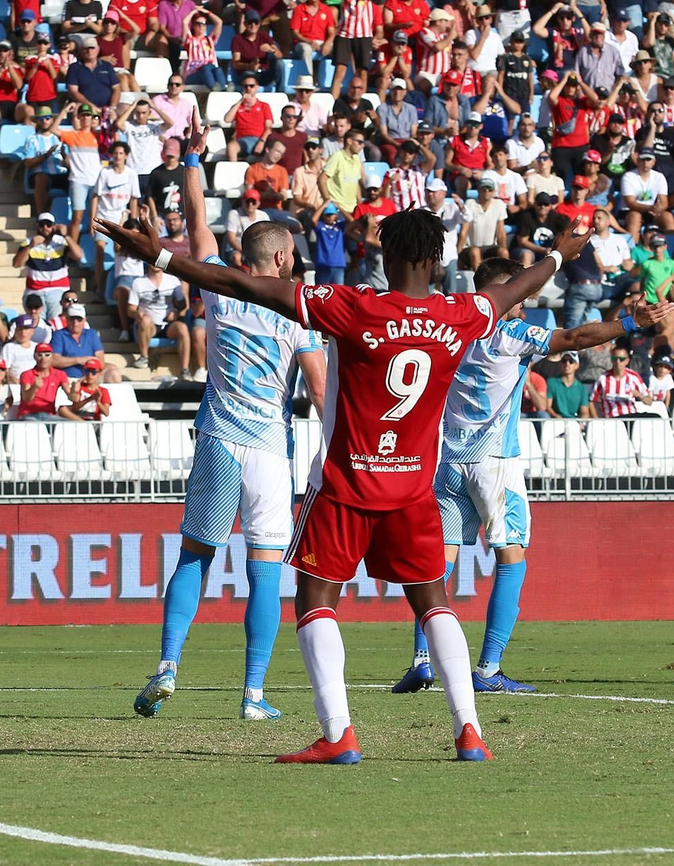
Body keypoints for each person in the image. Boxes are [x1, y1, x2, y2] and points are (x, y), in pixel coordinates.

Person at [98, 203, 593, 764]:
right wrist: (560, 252)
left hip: (344, 484)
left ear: (386, 254)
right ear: (436, 259)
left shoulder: (352, 305)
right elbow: (518, 287)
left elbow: (235, 281)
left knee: (315, 599)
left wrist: (159, 254)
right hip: (412, 488)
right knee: (434, 602)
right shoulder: (464, 313)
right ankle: (469, 733)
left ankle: (338, 735)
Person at [392, 258, 670, 696]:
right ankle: (487, 669)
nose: (525, 303)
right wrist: (630, 322)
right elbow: (574, 338)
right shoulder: (511, 334)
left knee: (437, 563)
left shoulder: (450, 332)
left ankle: (423, 661)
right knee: (511, 555)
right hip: (494, 461)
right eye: (520, 294)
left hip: (447, 459)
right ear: (508, 294)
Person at [134, 135, 326, 721]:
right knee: (266, 570)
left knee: (194, 556)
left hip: (219, 439)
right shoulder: (298, 310)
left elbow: (196, 222)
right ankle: (253, 695)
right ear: (284, 260)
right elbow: (318, 388)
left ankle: (168, 666)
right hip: (270, 450)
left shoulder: (220, 289)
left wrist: (194, 161)